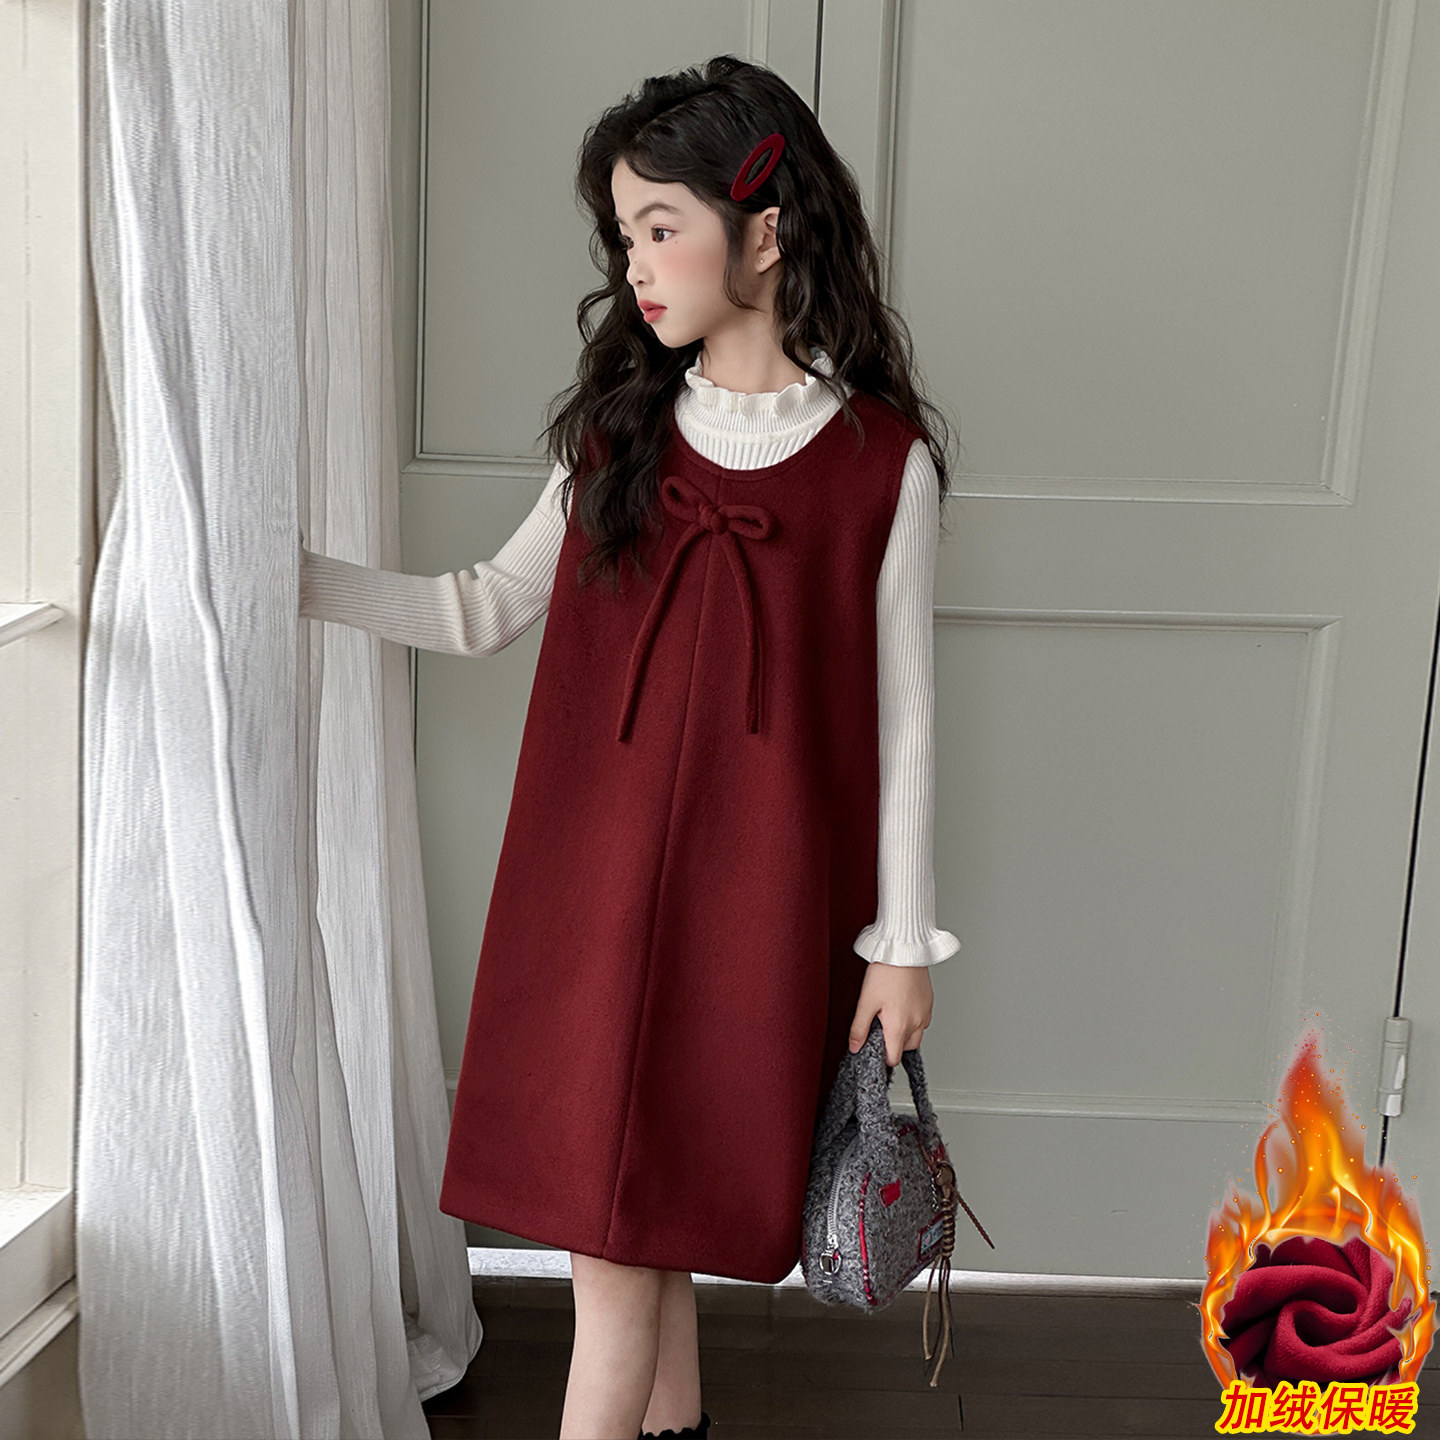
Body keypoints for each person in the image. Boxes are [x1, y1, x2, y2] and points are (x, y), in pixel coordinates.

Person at [299, 54, 962, 1440]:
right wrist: (287, 580)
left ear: (764, 231)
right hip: (586, 905)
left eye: (663, 226)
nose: (637, 265)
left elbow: (906, 718)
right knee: (617, 1248)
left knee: (651, 1230)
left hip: (757, 911)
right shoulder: (618, 438)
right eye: (624, 235)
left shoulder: (881, 466)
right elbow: (483, 609)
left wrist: (902, 946)